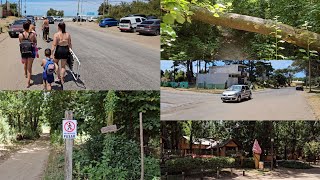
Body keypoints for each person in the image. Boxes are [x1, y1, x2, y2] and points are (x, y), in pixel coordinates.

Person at [19, 21, 37, 88]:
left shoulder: (20, 35)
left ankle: (25, 74)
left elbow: (21, 43)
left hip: (23, 52)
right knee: (30, 67)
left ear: (23, 27)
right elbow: (35, 42)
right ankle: (28, 83)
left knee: (25, 64)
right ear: (29, 27)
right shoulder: (32, 34)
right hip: (31, 51)